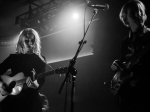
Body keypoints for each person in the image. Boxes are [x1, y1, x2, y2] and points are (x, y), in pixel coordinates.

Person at [0, 28, 52, 112]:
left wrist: (35, 85)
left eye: (32, 40)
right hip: (12, 102)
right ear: (21, 42)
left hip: (30, 103)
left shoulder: (40, 59)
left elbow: (41, 81)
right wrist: (3, 86)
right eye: (27, 41)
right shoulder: (13, 58)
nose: (30, 43)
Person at [111, 0, 150, 112]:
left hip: (145, 93)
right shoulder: (125, 41)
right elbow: (124, 65)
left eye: (141, 12)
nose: (138, 15)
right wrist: (117, 66)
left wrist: (140, 77)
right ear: (125, 17)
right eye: (133, 13)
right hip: (127, 95)